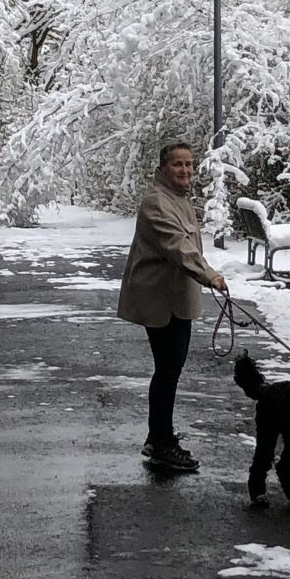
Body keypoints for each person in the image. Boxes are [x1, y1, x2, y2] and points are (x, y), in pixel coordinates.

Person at [117, 141, 228, 472]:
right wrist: (209, 275)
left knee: (171, 368)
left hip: (175, 298)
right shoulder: (157, 202)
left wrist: (205, 274)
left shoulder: (177, 199)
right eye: (178, 164)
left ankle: (160, 436)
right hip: (160, 299)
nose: (185, 170)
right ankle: (160, 442)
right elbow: (178, 247)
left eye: (189, 164)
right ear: (163, 167)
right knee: (167, 370)